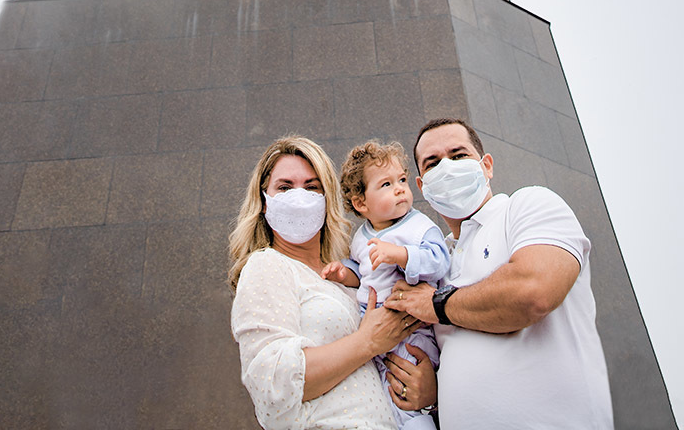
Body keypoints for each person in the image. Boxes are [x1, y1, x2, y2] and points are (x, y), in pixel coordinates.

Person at [384, 117, 614, 430]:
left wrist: (437, 305)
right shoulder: (438, 265)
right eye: (433, 163)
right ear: (422, 185)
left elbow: (533, 292)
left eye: (459, 155)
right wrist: (435, 394)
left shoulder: (529, 206)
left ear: (486, 165)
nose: (447, 168)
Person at [228, 135, 436, 430]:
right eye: (285, 187)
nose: (299, 197)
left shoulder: (349, 276)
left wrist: (426, 393)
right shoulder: (267, 265)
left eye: (312, 187)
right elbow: (271, 386)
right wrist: (367, 342)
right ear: (264, 201)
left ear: (327, 201)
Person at [322, 140, 448, 429]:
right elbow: (360, 269)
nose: (401, 188)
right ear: (361, 203)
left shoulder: (419, 227)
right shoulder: (361, 237)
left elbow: (439, 261)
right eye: (387, 184)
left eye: (402, 180)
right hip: (373, 334)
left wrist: (401, 255)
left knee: (409, 402)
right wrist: (343, 274)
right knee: (384, 399)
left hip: (411, 332)